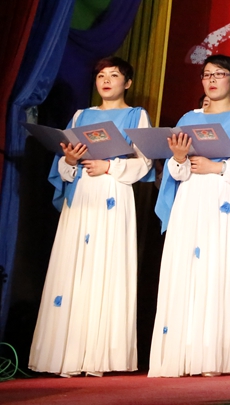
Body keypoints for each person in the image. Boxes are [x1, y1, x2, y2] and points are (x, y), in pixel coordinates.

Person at [29, 57, 154, 376]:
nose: (106, 80)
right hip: (82, 193)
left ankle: (99, 356)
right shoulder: (81, 115)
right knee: (75, 266)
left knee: (106, 264)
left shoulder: (136, 115)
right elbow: (64, 164)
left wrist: (109, 166)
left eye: (114, 75)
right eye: (101, 75)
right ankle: (66, 354)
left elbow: (144, 162)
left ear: (128, 82)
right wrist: (70, 161)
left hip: (113, 191)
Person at [150, 55, 230, 377]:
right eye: (206, 74)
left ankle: (213, 356)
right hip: (190, 198)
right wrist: (179, 158)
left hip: (224, 197)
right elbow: (175, 170)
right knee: (185, 269)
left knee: (217, 268)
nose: (211, 80)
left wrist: (218, 166)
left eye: (219, 74)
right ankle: (181, 354)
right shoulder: (189, 117)